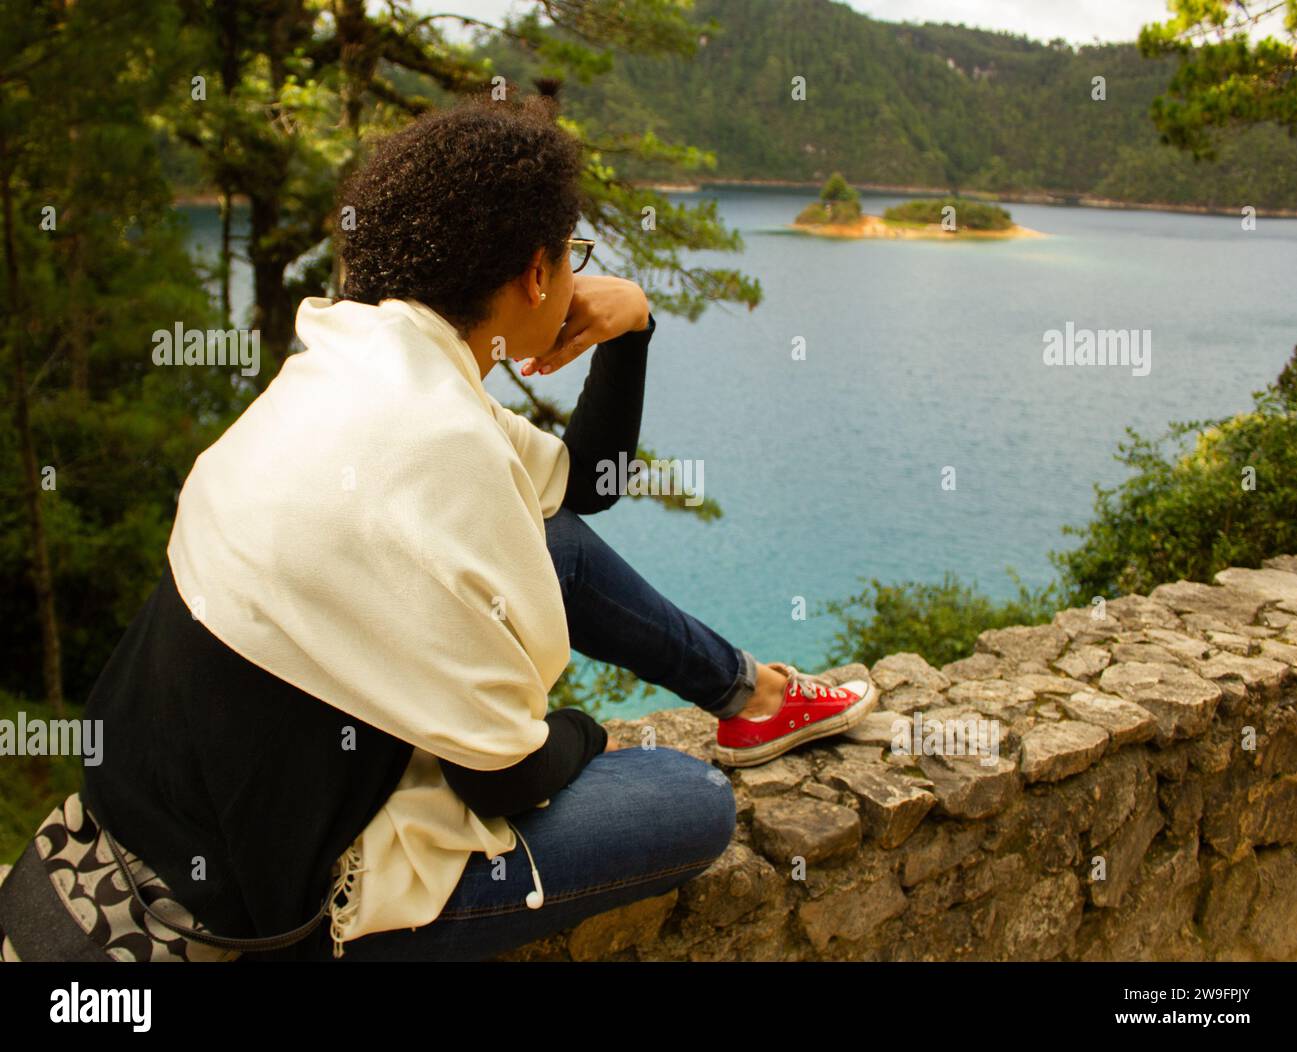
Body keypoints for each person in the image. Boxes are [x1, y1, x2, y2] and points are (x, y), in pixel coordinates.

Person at [73, 92, 877, 963]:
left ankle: (750, 698)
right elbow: (508, 775)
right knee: (691, 802)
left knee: (554, 543)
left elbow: (583, 490)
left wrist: (632, 327)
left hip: (158, 795)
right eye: (575, 259)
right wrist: (587, 733)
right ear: (537, 275)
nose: (577, 278)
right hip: (271, 899)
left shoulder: (363, 360)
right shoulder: (445, 441)